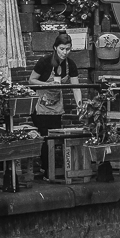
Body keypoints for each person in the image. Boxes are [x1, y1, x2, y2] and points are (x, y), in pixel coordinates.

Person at [29, 33, 83, 179]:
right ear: (55, 47)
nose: (65, 52)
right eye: (62, 49)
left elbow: (76, 87)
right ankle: (47, 170)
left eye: (68, 49)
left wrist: (80, 105)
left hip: (56, 107)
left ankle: (51, 169)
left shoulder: (70, 64)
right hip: (40, 107)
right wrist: (47, 84)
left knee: (54, 138)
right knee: (45, 139)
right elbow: (31, 80)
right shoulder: (45, 61)